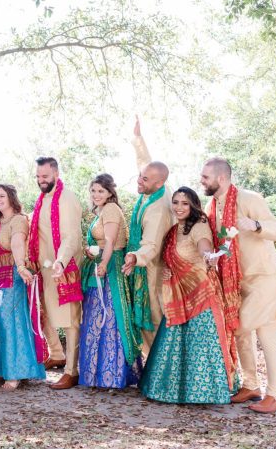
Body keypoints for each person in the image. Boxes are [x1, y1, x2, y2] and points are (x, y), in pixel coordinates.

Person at [200, 158, 276, 413]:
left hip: (265, 276)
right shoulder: (212, 205)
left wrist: (256, 225)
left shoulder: (250, 199)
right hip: (237, 281)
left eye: (206, 177)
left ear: (222, 178)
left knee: (246, 327)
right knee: (255, 332)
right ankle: (252, 385)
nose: (201, 181)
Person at [140, 187, 237, 403]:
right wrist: (168, 270)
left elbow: (204, 246)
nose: (179, 207)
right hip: (178, 294)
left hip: (199, 293)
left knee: (200, 342)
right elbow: (171, 258)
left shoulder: (199, 225)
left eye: (185, 203)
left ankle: (205, 391)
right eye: (175, 202)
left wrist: (209, 256)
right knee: (176, 340)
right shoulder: (175, 229)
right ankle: (173, 390)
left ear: (193, 205)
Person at [0, 184, 46, 390]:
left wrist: (20, 266)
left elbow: (18, 244)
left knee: (11, 322)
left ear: (11, 198)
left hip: (12, 276)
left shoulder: (18, 220)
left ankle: (15, 373)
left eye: (2, 196)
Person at [79, 174, 141, 389]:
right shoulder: (101, 211)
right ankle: (97, 373)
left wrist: (103, 265)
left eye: (101, 191)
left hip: (111, 266)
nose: (96, 195)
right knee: (98, 317)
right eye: (93, 190)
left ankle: (112, 375)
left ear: (110, 193)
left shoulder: (112, 209)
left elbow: (111, 241)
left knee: (109, 316)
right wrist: (90, 253)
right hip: (101, 262)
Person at [27, 157, 83, 390]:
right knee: (47, 313)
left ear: (57, 174)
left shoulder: (66, 198)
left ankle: (72, 371)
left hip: (64, 266)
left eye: (45, 177)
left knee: (70, 319)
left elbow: (71, 236)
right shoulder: (42, 200)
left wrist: (61, 261)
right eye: (38, 177)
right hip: (45, 269)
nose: (41, 181)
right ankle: (57, 355)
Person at [122, 117, 173, 357]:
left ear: (159, 183)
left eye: (144, 179)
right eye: (140, 176)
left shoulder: (158, 207)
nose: (139, 181)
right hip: (143, 262)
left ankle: (157, 369)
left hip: (153, 266)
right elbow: (146, 162)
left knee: (153, 314)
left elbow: (151, 245)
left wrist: (134, 256)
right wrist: (138, 139)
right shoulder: (153, 186)